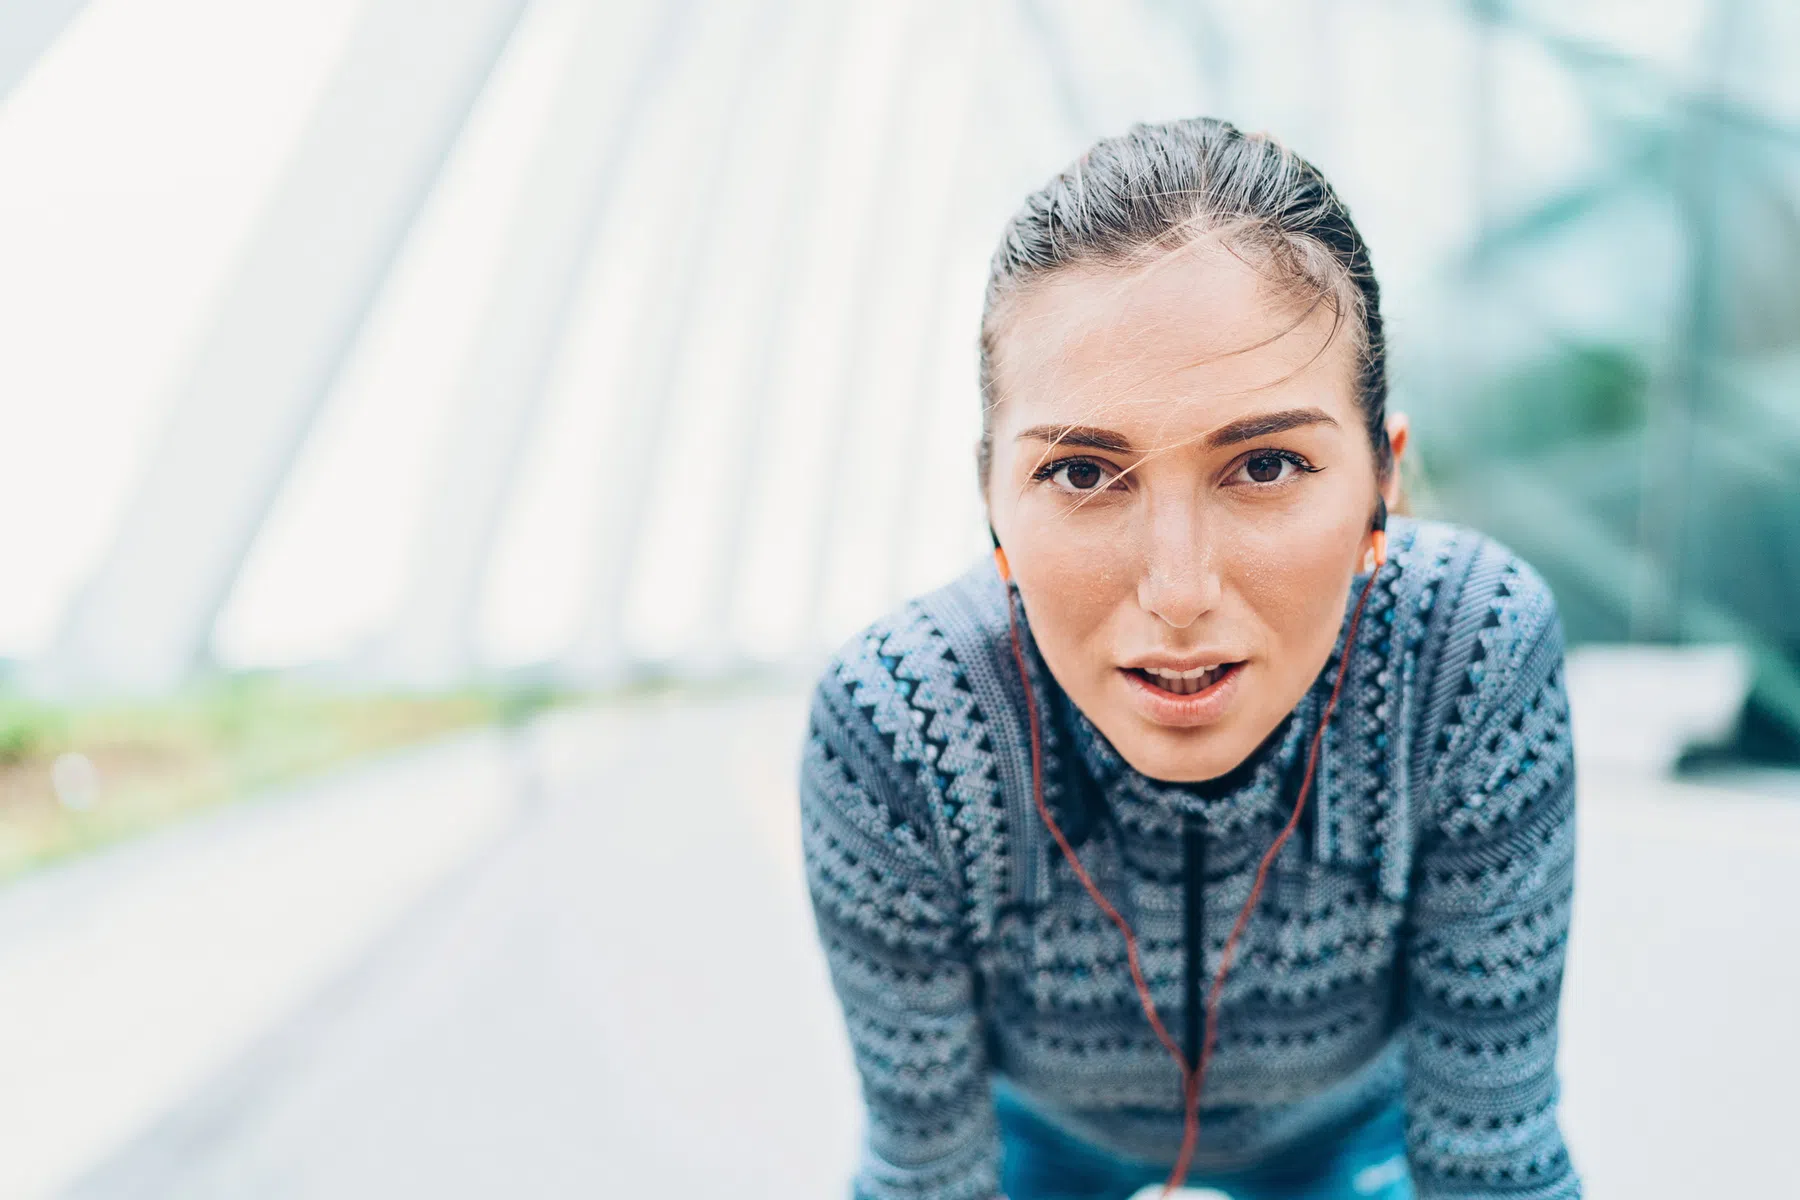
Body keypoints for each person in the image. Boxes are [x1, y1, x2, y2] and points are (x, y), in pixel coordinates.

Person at [799, 117, 1580, 1200]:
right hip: (1046, 1141)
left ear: (1381, 484)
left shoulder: (1465, 655)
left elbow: (1492, 1163)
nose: (1177, 593)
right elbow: (925, 1173)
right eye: (1082, 474)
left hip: (1355, 1128)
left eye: (1265, 463)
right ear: (992, 502)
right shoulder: (904, 721)